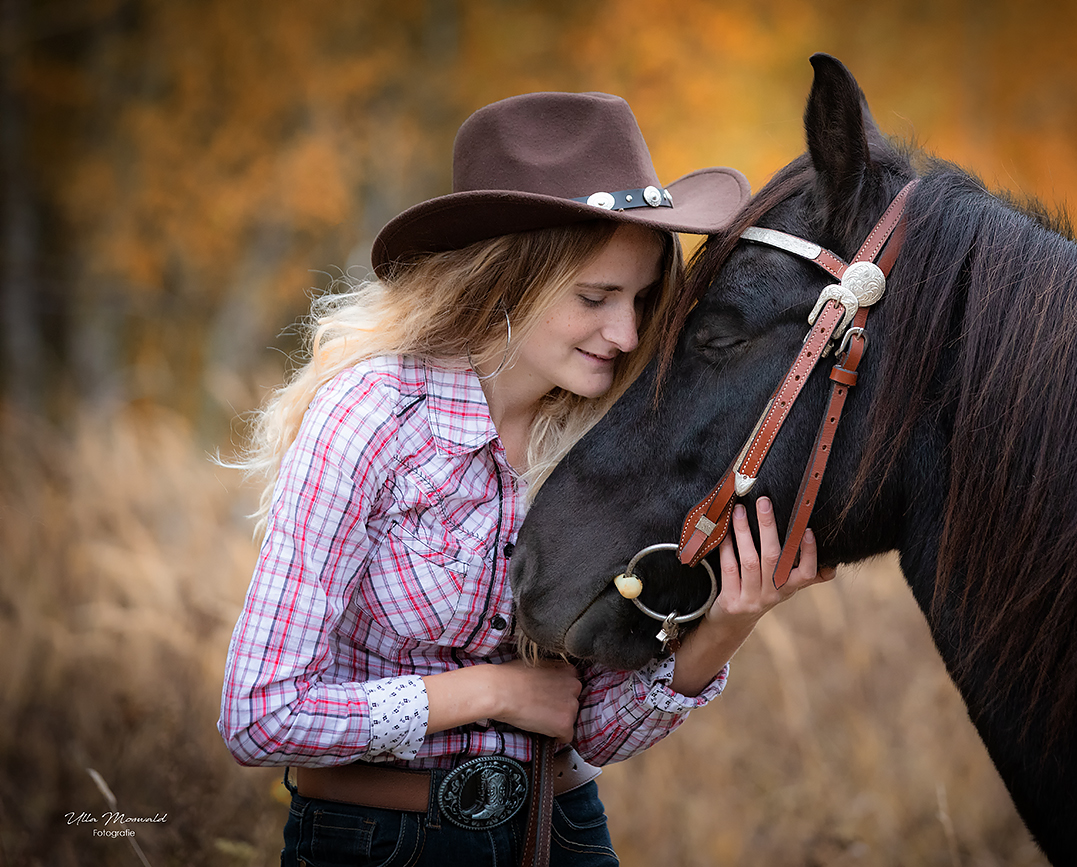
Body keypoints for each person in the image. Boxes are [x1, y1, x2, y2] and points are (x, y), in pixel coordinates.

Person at [219, 90, 833, 867]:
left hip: (564, 830)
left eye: (643, 299)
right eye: (595, 297)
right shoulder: (371, 417)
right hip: (381, 842)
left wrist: (725, 625)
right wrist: (490, 694)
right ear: (506, 278)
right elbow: (259, 713)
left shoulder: (609, 433)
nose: (628, 333)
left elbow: (595, 728)